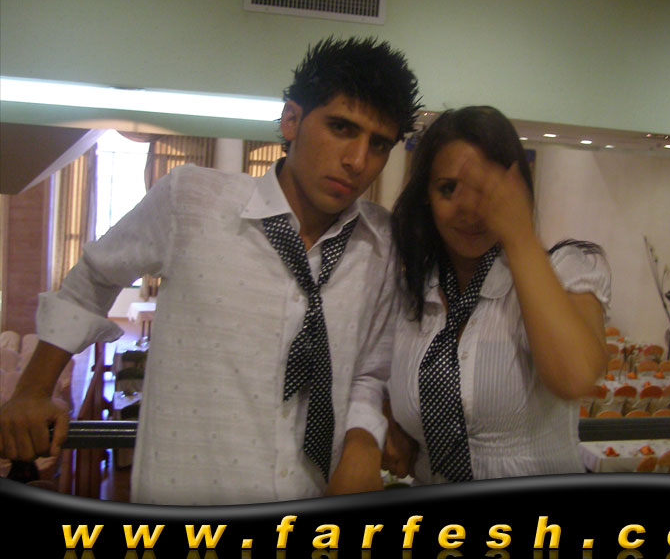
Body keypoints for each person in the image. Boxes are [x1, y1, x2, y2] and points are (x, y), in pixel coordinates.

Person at [0, 36, 422, 504]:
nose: (358, 160)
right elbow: (92, 280)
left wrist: (363, 441)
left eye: (378, 144)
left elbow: (370, 370)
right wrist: (33, 390)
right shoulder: (192, 200)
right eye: (341, 128)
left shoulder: (380, 243)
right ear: (292, 120)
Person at [383, 106, 611, 484]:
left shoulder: (566, 269)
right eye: (448, 189)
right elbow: (376, 374)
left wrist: (518, 234)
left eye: (486, 191)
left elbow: (575, 377)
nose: (469, 208)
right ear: (425, 196)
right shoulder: (411, 288)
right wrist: (390, 418)